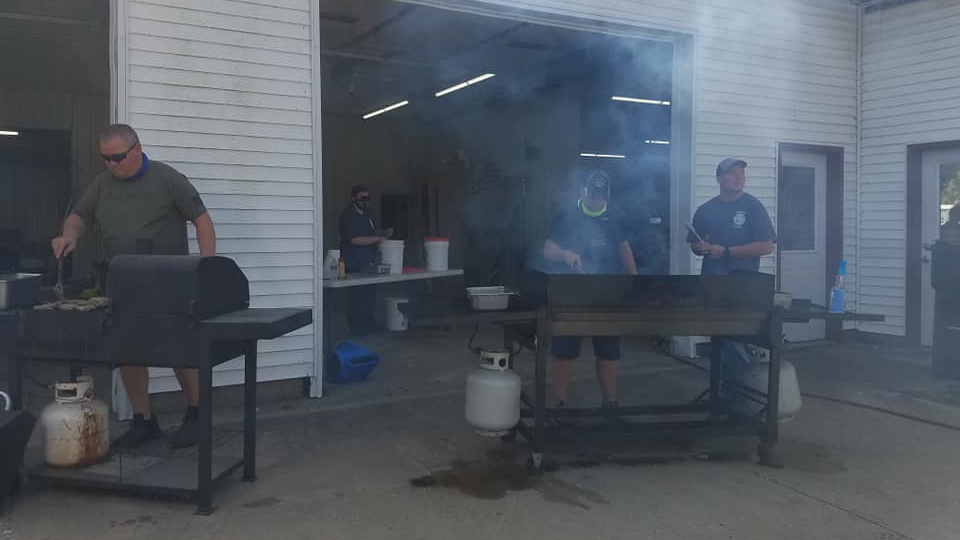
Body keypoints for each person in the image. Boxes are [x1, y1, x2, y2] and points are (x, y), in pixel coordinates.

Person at [51, 124, 216, 449]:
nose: (111, 165)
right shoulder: (102, 185)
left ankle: (198, 415)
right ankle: (144, 421)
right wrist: (68, 235)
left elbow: (202, 220)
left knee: (179, 351)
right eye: (105, 159)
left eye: (117, 158)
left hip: (170, 281)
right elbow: (78, 217)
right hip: (123, 282)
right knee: (128, 351)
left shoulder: (167, 179)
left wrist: (205, 267)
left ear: (137, 149)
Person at [543, 170, 639, 410]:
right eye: (593, 194)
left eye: (601, 196)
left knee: (608, 352)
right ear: (582, 191)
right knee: (564, 351)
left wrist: (634, 281)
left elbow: (624, 250)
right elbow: (547, 249)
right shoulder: (566, 214)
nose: (597, 200)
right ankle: (560, 404)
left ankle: (610, 404)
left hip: (607, 294)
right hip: (571, 294)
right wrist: (565, 254)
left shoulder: (615, 216)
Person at [687, 157, 776, 403]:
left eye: (742, 173)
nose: (739, 177)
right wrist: (701, 247)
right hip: (713, 287)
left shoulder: (752, 207)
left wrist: (726, 252)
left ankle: (736, 400)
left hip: (743, 288)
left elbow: (766, 246)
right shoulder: (705, 210)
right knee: (720, 342)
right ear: (719, 178)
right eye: (732, 173)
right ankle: (722, 396)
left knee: (737, 342)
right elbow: (694, 244)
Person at [338, 185, 392, 335]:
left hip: (369, 263)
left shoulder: (368, 215)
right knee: (356, 298)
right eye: (362, 198)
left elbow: (372, 233)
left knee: (369, 296)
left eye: (368, 198)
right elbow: (355, 240)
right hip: (353, 263)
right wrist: (377, 238)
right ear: (353, 198)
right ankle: (356, 328)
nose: (365, 201)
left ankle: (369, 324)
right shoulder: (348, 216)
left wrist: (384, 233)